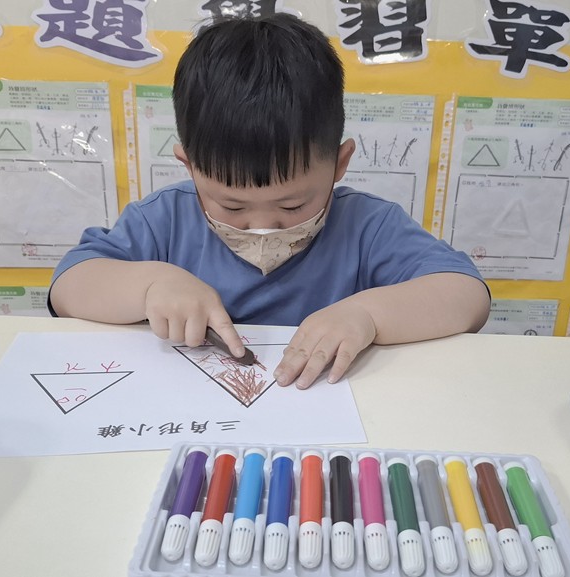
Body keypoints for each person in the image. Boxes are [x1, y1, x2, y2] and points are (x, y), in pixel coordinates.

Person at [49, 13, 490, 389]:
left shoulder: (367, 226)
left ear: (339, 165)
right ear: (190, 167)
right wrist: (150, 285)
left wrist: (368, 315)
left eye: (292, 206)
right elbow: (69, 287)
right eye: (233, 206)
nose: (263, 225)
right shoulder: (164, 220)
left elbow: (466, 296)